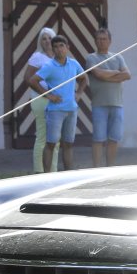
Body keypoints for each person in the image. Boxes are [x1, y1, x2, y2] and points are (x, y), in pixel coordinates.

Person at [29, 35, 86, 172]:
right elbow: (33, 81)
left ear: (67, 47)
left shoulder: (74, 63)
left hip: (71, 109)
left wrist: (79, 93)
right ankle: (47, 177)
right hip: (55, 110)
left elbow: (84, 78)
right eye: (55, 47)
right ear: (53, 50)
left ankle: (68, 175)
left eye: (61, 46)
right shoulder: (49, 66)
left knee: (68, 144)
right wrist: (48, 95)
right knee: (51, 144)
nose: (59, 49)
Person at [84, 26, 132, 167]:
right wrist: (116, 73)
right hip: (99, 104)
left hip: (117, 104)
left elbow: (127, 75)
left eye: (104, 39)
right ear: (95, 41)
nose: (101, 41)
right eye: (98, 39)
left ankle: (110, 168)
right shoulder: (91, 58)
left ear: (110, 41)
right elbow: (98, 74)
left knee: (114, 139)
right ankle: (96, 168)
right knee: (98, 139)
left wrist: (106, 75)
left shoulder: (118, 57)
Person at [24, 28, 56, 173]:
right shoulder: (37, 57)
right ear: (40, 42)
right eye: (44, 38)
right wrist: (45, 93)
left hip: (56, 101)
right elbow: (28, 78)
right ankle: (39, 171)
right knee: (42, 137)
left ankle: (53, 170)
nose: (47, 41)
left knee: (55, 139)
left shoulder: (58, 58)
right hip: (40, 99)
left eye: (49, 38)